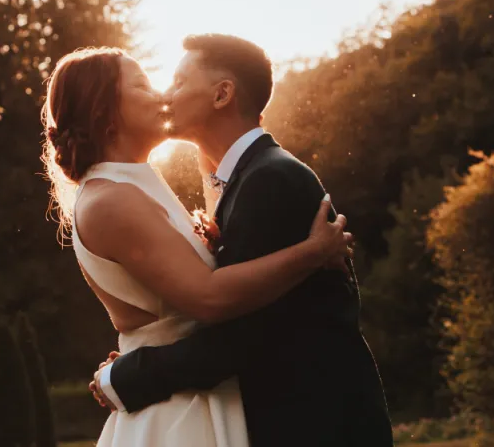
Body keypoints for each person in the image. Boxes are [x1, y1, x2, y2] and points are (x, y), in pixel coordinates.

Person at [41, 45, 354, 447]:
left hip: (199, 393)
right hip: (179, 415)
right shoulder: (111, 200)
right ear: (104, 111)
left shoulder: (133, 184)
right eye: (142, 84)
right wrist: (311, 253)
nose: (161, 95)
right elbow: (207, 298)